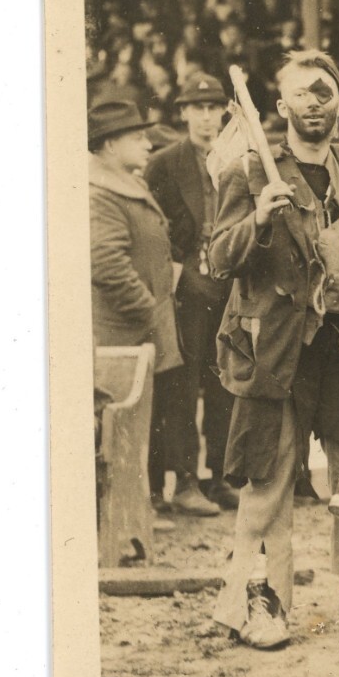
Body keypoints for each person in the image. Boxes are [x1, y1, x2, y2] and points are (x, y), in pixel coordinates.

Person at [207, 50, 339, 650]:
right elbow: (218, 259)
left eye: (325, 93)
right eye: (302, 93)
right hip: (276, 349)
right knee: (270, 477)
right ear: (280, 108)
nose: (314, 103)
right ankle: (262, 601)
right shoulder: (251, 173)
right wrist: (259, 222)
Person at [89, 99, 198, 519]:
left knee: (138, 428)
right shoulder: (102, 192)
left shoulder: (122, 181)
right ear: (110, 144)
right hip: (123, 333)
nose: (148, 143)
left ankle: (135, 512)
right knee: (120, 429)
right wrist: (147, 309)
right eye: (137, 136)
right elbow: (107, 264)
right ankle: (121, 518)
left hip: (140, 331)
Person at [141, 72, 238, 513]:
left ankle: (218, 477)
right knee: (181, 384)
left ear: (224, 112)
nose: (205, 117)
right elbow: (152, 229)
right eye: (196, 108)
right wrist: (181, 272)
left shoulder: (238, 159)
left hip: (230, 285)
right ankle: (183, 482)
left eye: (213, 107)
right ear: (182, 114)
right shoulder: (164, 163)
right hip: (184, 288)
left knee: (225, 383)